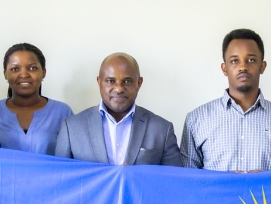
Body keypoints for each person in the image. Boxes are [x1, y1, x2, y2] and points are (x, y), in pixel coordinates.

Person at [181, 28, 271, 171]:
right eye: (235, 61)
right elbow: (188, 180)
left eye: (251, 60)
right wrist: (225, 181)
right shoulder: (197, 119)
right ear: (224, 68)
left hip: (267, 194)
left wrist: (266, 180)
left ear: (262, 66)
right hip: (218, 195)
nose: (243, 67)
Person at [54, 52, 184, 166]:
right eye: (110, 81)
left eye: (127, 81)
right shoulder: (71, 127)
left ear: (139, 83)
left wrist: (137, 178)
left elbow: (174, 181)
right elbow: (61, 180)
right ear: (99, 82)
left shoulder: (162, 129)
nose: (119, 89)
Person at [0, 43, 72, 154]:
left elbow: (74, 158)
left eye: (32, 68)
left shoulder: (62, 112)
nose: (24, 74)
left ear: (43, 72)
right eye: (15, 69)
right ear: (5, 74)